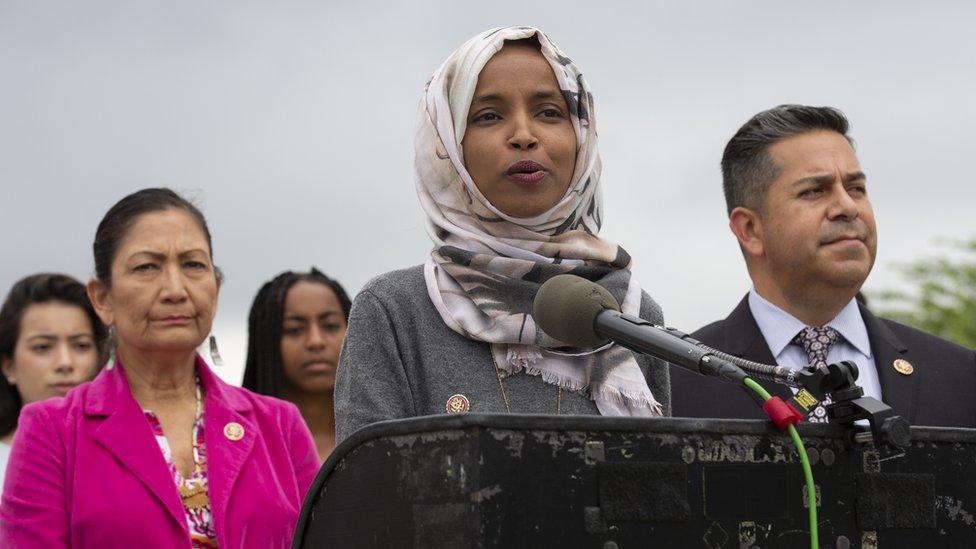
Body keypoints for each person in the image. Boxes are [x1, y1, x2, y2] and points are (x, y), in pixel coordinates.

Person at [335, 26, 671, 444]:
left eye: (549, 112)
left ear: (582, 134)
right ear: (448, 145)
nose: (524, 135)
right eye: (488, 116)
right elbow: (369, 497)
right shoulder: (394, 312)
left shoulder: (631, 315)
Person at [0, 188, 319, 547]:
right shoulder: (52, 432)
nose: (175, 289)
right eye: (147, 267)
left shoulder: (279, 425)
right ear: (101, 298)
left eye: (193, 265)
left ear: (216, 287)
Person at [670, 105, 976, 427]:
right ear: (750, 229)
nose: (847, 207)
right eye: (814, 191)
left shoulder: (961, 379)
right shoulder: (673, 387)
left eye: (856, 188)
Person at [0, 273, 106, 497]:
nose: (65, 363)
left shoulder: (131, 453)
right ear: (8, 366)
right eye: (42, 347)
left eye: (81, 345)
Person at [242, 268, 351, 461]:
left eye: (331, 326)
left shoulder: (385, 437)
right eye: (294, 330)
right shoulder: (240, 442)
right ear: (266, 341)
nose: (316, 341)